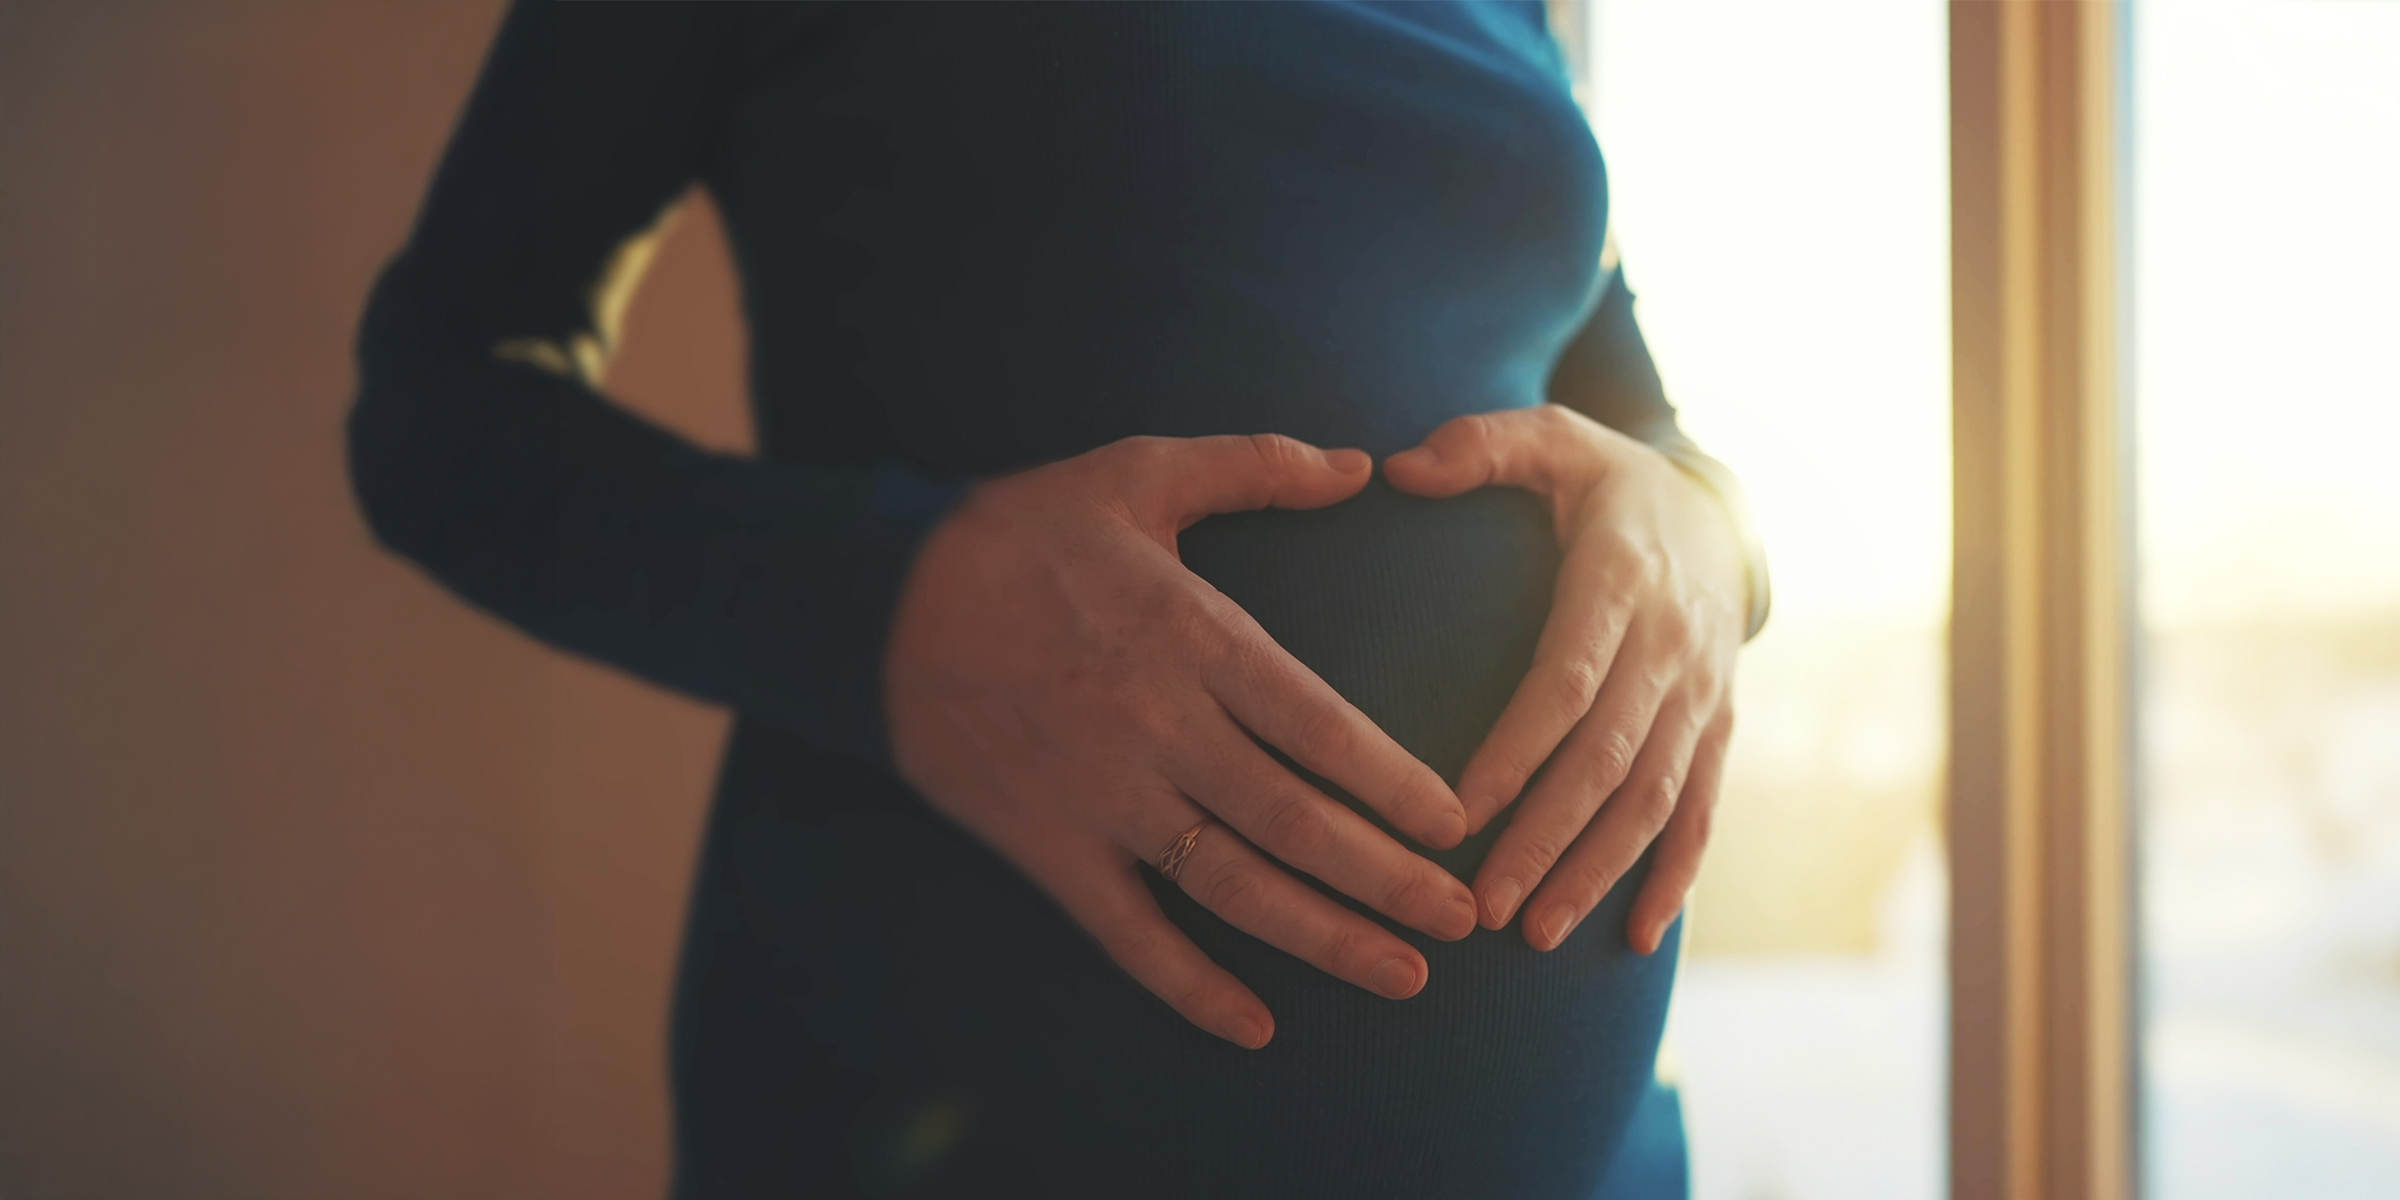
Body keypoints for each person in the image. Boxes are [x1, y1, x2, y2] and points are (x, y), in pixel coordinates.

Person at [349, 3, 1767, 1197]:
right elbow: (435, 417)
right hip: (959, 1106)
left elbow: (1612, 383)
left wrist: (1707, 535)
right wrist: (891, 596)